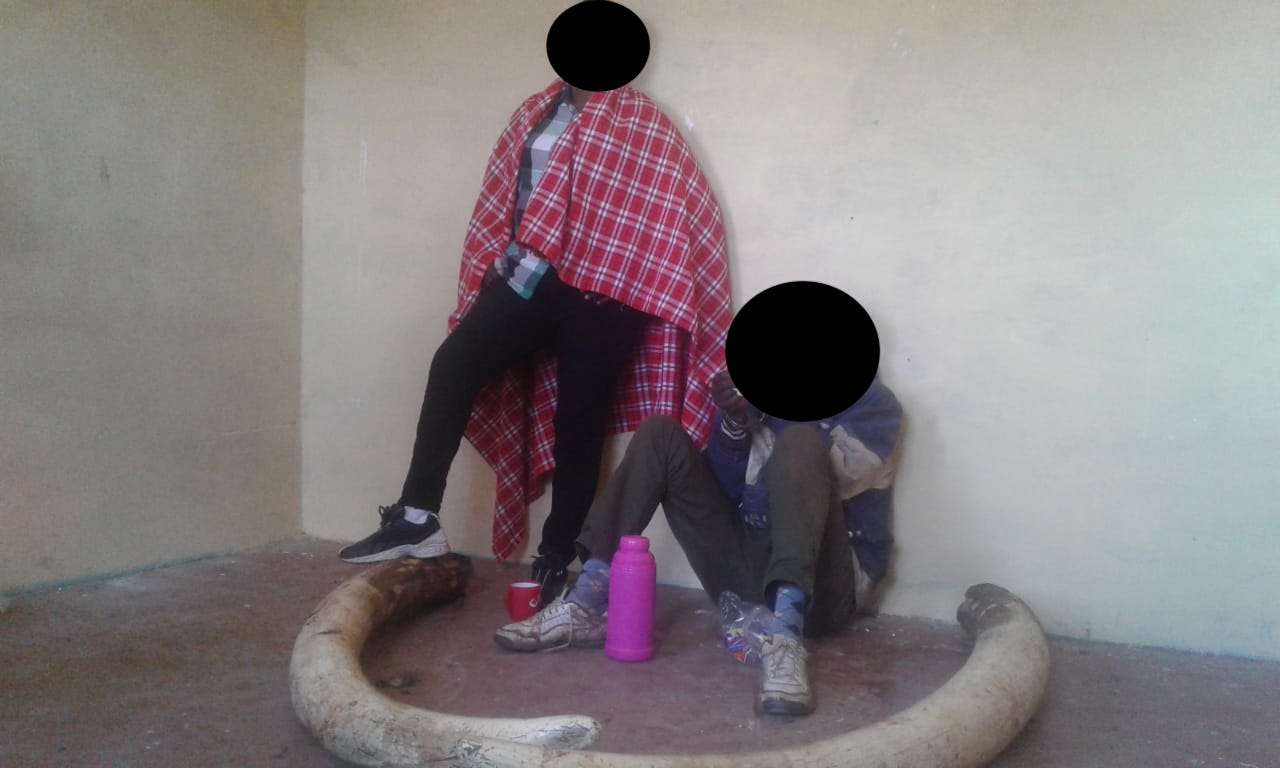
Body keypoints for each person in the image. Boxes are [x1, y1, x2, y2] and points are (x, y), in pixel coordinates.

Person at [338, 77, 732, 609]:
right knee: (454, 363)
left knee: (579, 425)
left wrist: (630, 266)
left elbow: (673, 209)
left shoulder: (645, 123)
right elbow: (508, 195)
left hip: (609, 291)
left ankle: (555, 558)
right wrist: (500, 263)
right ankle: (416, 517)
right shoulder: (535, 112)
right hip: (533, 274)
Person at [493, 370, 904, 716]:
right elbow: (722, 492)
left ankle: (785, 640)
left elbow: (831, 480)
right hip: (747, 577)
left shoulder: (875, 405)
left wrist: (774, 420)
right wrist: (734, 425)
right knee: (659, 434)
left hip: (823, 591)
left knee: (800, 441)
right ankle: (586, 602)